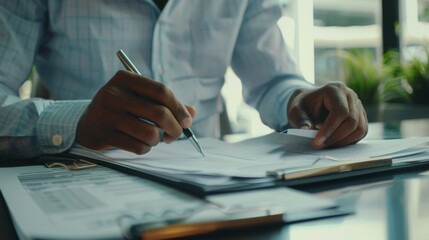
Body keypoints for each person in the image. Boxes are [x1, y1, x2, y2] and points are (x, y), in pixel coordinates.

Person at [0, 0, 367, 160]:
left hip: (210, 192)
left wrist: (299, 97)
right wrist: (78, 122)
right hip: (81, 182)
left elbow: (272, 79)